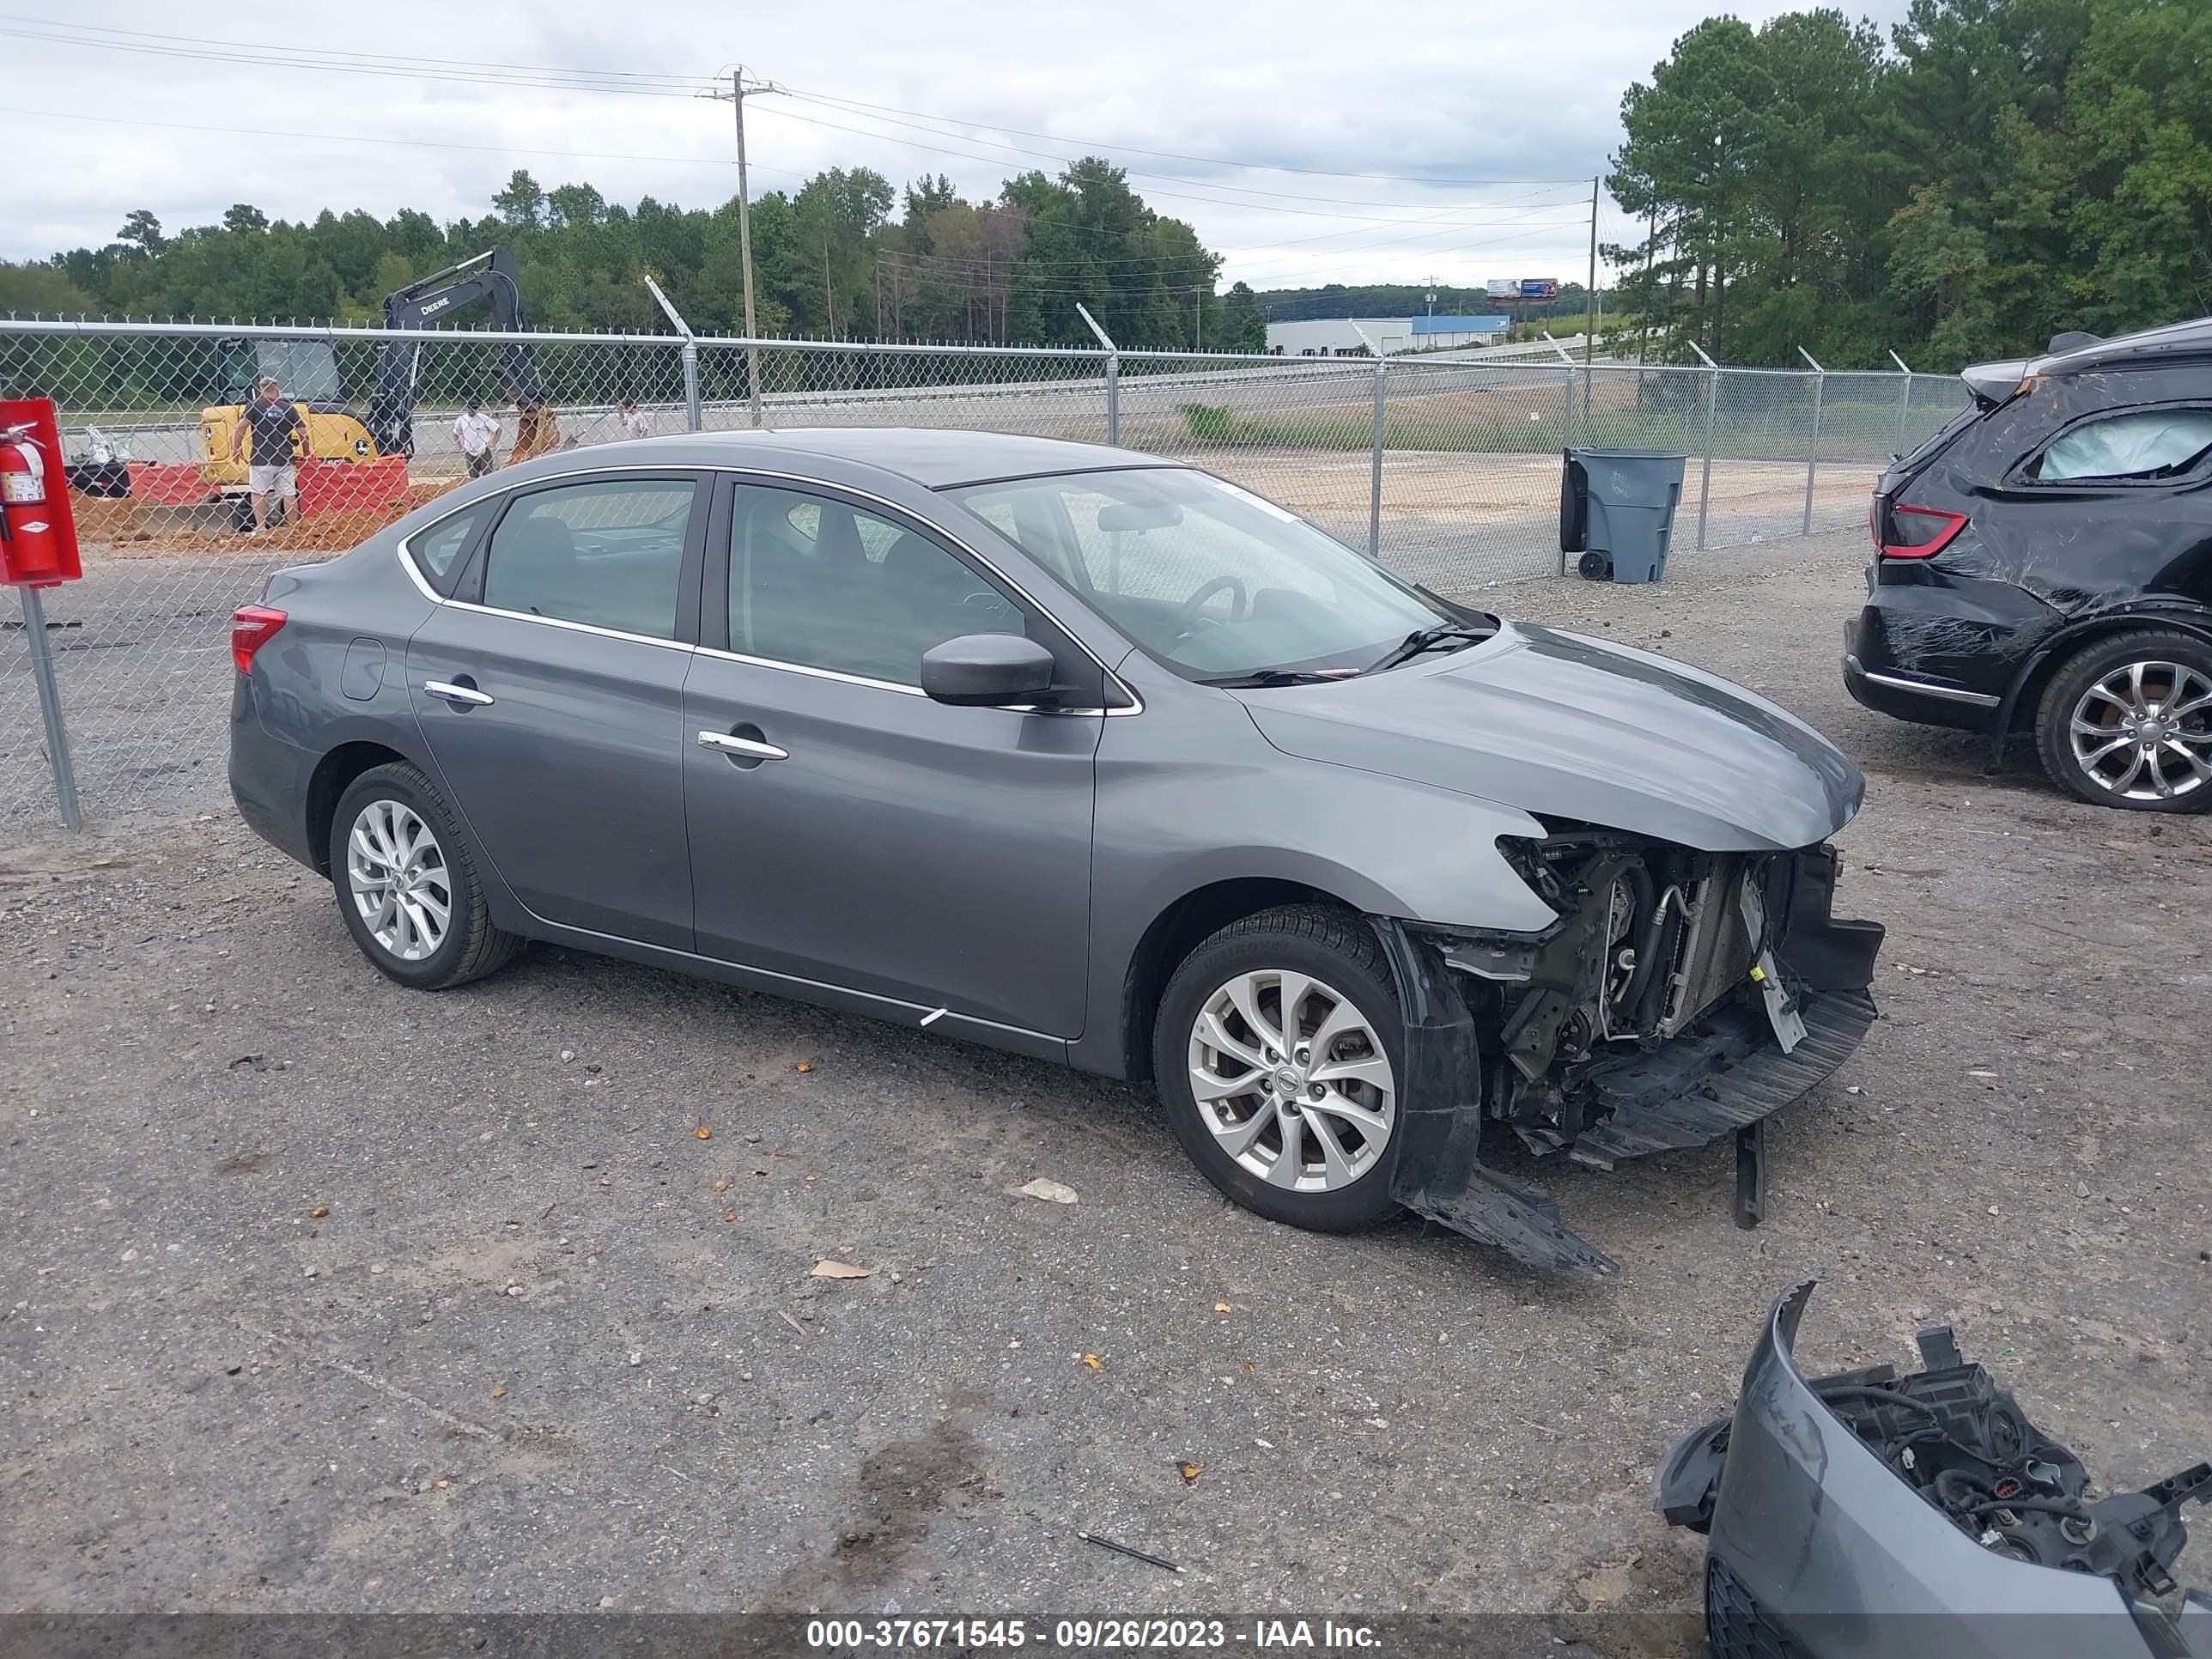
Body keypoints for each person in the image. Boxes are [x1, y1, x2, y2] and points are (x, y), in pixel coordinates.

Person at [228, 375, 306, 533]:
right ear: (277, 389)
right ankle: (293, 528)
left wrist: (236, 449)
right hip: (284, 459)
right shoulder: (288, 408)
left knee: (258, 493)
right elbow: (303, 433)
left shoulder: (255, 406)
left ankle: (261, 527)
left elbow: (241, 427)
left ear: (261, 390)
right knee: (289, 493)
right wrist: (307, 451)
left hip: (261, 459)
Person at [453, 398, 502, 478]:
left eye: (476, 408)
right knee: (473, 477)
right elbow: (455, 434)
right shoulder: (462, 420)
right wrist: (460, 447)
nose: (474, 410)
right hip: (470, 452)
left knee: (488, 476)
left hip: (484, 450)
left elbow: (498, 429)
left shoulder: (483, 418)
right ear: (468, 408)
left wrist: (493, 443)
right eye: (472, 408)